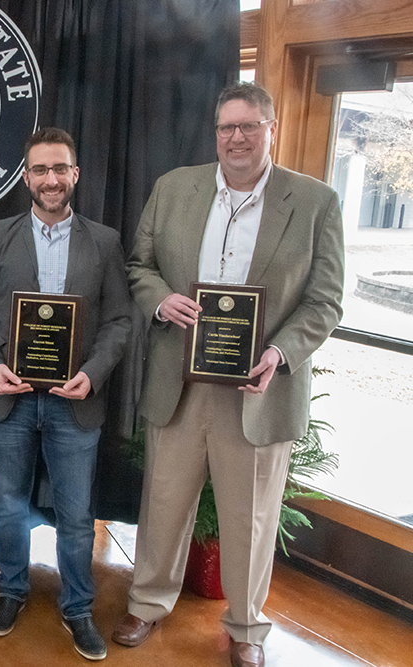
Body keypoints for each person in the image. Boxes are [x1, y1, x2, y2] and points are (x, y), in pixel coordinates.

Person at [114, 82, 344, 667]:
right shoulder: (174, 189)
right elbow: (140, 266)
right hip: (180, 381)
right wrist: (162, 300)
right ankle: (147, 603)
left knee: (252, 516)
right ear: (215, 132)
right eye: (226, 127)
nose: (236, 137)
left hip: (259, 390)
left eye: (249, 126)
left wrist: (280, 354)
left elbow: (324, 301)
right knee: (164, 501)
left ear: (272, 130)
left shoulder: (315, 203)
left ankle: (246, 628)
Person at [0, 127, 132, 661]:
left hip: (74, 399)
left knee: (77, 514)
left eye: (60, 169)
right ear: (26, 176)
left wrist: (95, 373)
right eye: (40, 169)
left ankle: (78, 605)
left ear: (75, 175)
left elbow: (120, 321)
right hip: (8, 397)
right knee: (10, 508)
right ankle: (12, 590)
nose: (51, 179)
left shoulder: (103, 241)